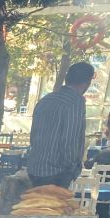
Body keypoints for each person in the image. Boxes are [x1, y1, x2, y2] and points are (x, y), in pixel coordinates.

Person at [26, 61, 95, 189]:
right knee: (52, 208)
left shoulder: (46, 99)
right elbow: (70, 140)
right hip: (56, 172)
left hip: (34, 167)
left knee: (36, 207)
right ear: (87, 82)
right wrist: (71, 169)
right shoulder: (75, 101)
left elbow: (33, 136)